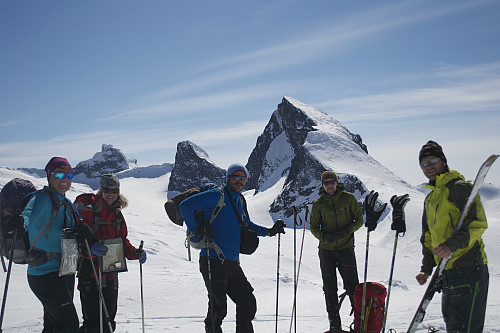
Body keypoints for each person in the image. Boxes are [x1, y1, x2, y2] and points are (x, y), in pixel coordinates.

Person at [179, 163, 285, 333]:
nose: (239, 181)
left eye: (243, 178)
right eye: (236, 177)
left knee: (247, 302)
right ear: (228, 178)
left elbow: (247, 225)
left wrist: (270, 232)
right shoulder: (216, 195)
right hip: (213, 259)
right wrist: (196, 230)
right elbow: (185, 206)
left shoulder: (240, 200)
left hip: (232, 263)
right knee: (218, 308)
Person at [415, 140, 489, 332]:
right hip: (447, 273)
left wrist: (452, 245)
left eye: (433, 160)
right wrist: (426, 268)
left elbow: (477, 223)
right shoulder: (430, 198)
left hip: (469, 269)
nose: (428, 166)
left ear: (443, 161)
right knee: (454, 327)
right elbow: (429, 237)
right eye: (424, 163)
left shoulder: (458, 187)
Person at [20, 157, 85, 332]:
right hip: (45, 273)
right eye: (59, 174)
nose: (65, 179)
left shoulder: (65, 202)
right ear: (49, 176)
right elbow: (26, 214)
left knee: (54, 325)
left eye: (69, 174)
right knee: (69, 324)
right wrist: (20, 223)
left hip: (65, 271)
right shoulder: (42, 198)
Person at [76, 174, 146, 333]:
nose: (111, 194)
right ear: (101, 190)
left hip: (110, 275)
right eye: (107, 190)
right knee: (93, 323)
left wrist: (135, 253)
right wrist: (90, 250)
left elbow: (123, 242)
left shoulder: (117, 215)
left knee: (109, 321)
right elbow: (77, 243)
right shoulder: (88, 213)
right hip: (90, 274)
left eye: (115, 190)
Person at [310, 171, 364, 333]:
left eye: (331, 182)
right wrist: (323, 236)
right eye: (326, 183)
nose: (329, 185)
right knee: (329, 288)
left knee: (353, 286)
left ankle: (359, 323)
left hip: (346, 248)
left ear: (336, 182)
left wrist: (346, 231)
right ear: (322, 185)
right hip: (326, 250)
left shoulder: (349, 199)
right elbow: (313, 227)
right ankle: (334, 325)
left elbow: (359, 220)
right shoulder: (319, 204)